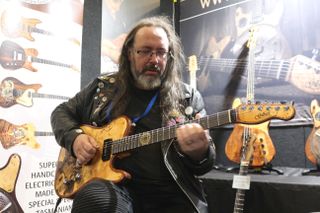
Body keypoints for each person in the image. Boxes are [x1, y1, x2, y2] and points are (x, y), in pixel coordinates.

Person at [51, 16, 215, 213]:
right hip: (116, 189)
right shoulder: (103, 88)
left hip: (170, 194)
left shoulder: (188, 98)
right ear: (129, 53)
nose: (154, 60)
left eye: (161, 53)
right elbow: (61, 113)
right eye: (145, 51)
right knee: (93, 198)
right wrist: (74, 139)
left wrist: (199, 152)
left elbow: (203, 165)